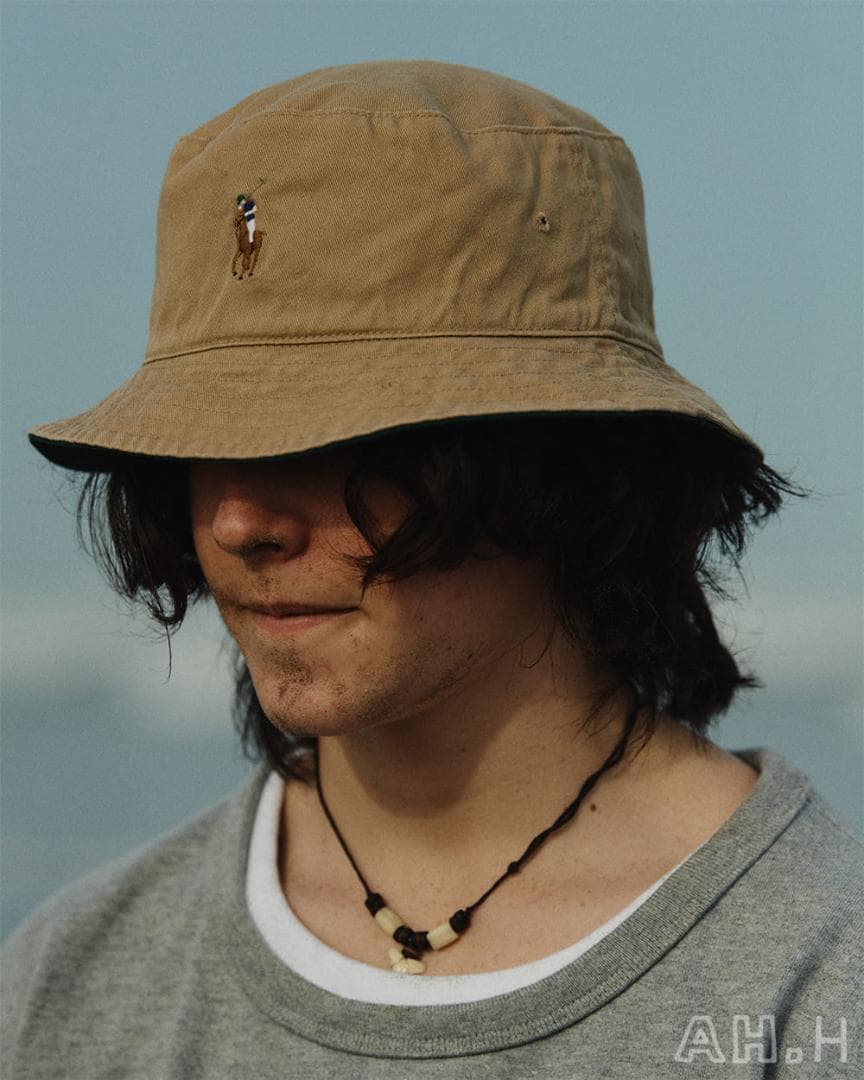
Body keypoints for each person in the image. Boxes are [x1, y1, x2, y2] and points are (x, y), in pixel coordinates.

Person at [2, 60, 860, 1078]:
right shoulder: (70, 982)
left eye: (330, 437)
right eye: (200, 439)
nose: (237, 520)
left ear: (567, 465)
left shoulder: (818, 983)